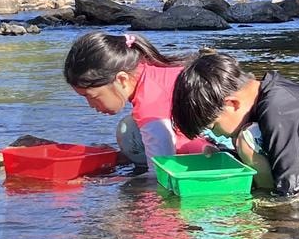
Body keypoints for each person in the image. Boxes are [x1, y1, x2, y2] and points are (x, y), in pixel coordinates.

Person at [172, 51, 299, 196]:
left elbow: (290, 184)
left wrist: (270, 218)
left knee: (248, 140)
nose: (220, 133)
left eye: (214, 126)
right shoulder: (267, 92)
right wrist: (227, 158)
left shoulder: (279, 109)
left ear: (231, 104)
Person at [64, 31, 213, 166]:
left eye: (91, 97)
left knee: (130, 131)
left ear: (121, 79)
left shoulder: (149, 103)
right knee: (134, 130)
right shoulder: (149, 69)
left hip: (220, 144)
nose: (90, 105)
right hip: (211, 130)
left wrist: (137, 187)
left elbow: (160, 169)